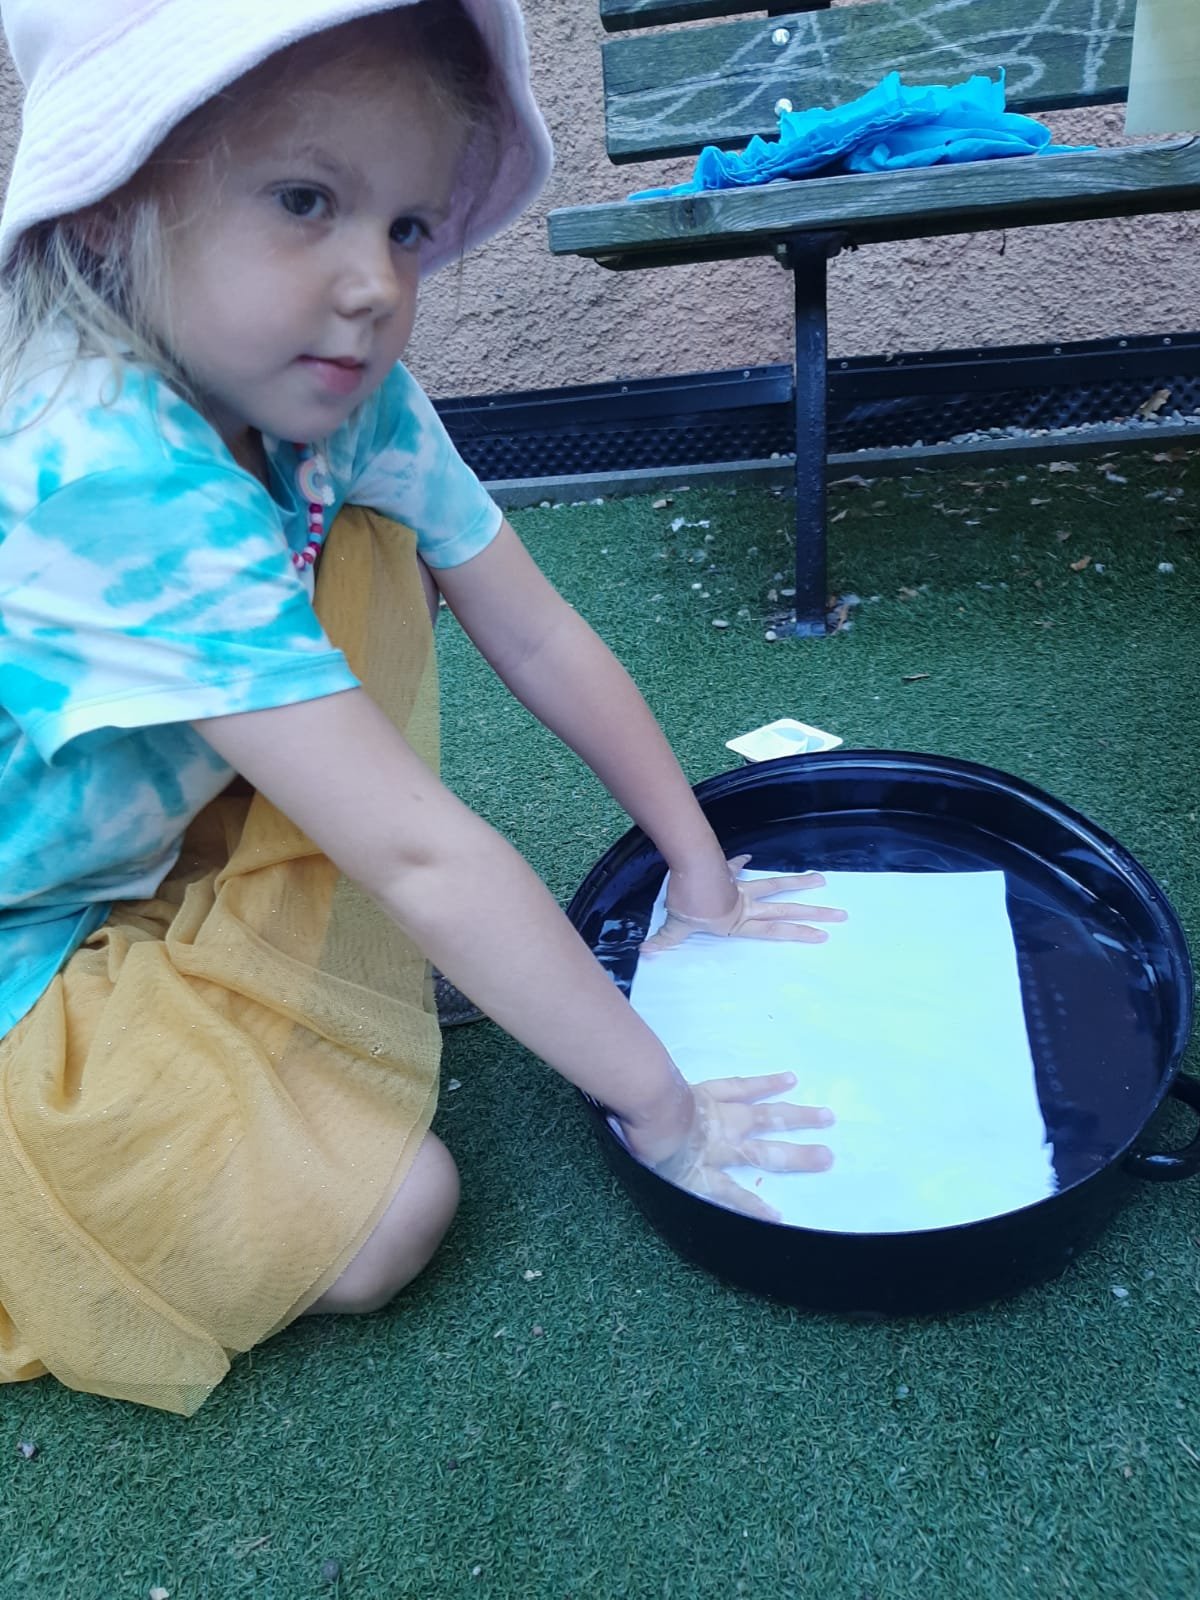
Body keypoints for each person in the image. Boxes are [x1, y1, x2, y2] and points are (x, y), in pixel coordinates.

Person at [0, 0, 846, 1415]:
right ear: (109, 210)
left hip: (120, 863)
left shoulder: (338, 397)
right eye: (304, 199)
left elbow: (537, 627)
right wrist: (667, 1105)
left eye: (405, 226)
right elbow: (418, 854)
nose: (375, 284)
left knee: (377, 544)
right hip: (22, 944)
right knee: (389, 1218)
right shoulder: (100, 471)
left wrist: (701, 868)